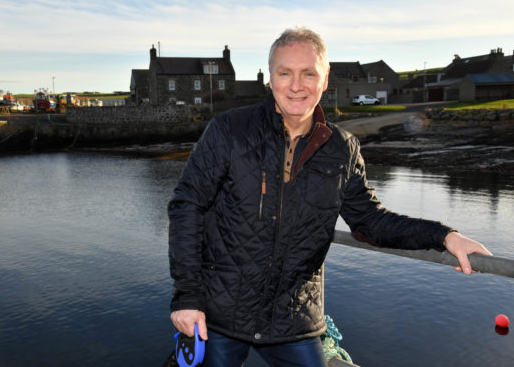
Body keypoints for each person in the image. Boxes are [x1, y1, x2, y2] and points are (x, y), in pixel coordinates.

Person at [168, 26, 492, 367]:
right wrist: (186, 297)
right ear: (270, 79)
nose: (296, 86)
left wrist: (445, 236)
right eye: (285, 73)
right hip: (219, 316)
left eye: (308, 73)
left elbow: (370, 221)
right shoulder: (228, 131)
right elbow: (187, 206)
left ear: (325, 79)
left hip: (294, 320)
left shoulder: (343, 149)